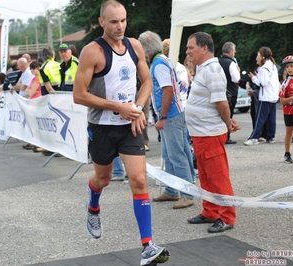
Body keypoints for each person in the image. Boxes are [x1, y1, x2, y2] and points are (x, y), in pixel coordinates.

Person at [72, 1, 170, 265]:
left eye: (123, 20)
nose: (120, 26)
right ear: (102, 21)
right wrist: (118, 107)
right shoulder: (92, 51)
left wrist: (137, 109)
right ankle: (93, 206)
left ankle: (148, 246)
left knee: (138, 180)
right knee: (102, 179)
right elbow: (79, 95)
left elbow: (147, 81)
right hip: (102, 128)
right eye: (114, 21)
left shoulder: (134, 45)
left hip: (130, 127)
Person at [185, 32, 240, 233]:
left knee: (218, 177)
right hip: (201, 134)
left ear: (204, 48)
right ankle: (210, 211)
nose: (187, 51)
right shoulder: (204, 69)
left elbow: (221, 103)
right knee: (206, 177)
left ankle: (226, 217)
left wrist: (228, 123)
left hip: (209, 134)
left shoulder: (213, 70)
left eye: (191, 48)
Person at [139, 30, 195, 209]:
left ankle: (187, 193)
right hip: (174, 114)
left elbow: (168, 90)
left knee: (177, 154)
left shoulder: (158, 64)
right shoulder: (161, 61)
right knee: (171, 154)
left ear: (145, 49)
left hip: (171, 116)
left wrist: (162, 116)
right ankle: (172, 190)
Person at [244, 47, 279, 146]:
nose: (256, 58)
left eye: (258, 55)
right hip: (272, 96)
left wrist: (254, 78)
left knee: (260, 117)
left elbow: (263, 83)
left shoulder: (264, 68)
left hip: (265, 97)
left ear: (262, 56)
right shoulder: (272, 65)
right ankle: (271, 137)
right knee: (271, 118)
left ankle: (254, 137)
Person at [218, 42, 241, 144]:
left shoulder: (217, 61)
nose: (235, 52)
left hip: (219, 91)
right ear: (231, 51)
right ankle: (227, 136)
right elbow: (236, 79)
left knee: (218, 115)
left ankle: (219, 135)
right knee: (229, 114)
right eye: (234, 50)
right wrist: (238, 71)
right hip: (230, 93)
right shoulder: (231, 63)